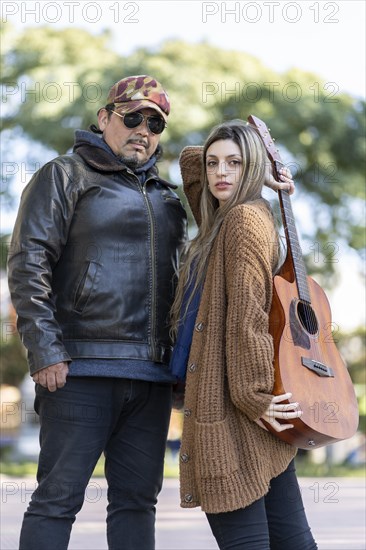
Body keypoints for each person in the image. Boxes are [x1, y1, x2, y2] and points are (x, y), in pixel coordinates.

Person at [7, 75, 188, 550]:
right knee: (57, 500)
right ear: (105, 118)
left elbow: (187, 281)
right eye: (132, 117)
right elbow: (28, 264)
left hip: (150, 377)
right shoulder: (64, 175)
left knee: (136, 504)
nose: (143, 129)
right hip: (78, 369)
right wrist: (45, 350)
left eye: (154, 123)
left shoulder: (169, 198)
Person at [170, 120, 318, 549]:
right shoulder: (222, 217)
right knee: (293, 542)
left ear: (250, 167)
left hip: (238, 411)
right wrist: (256, 173)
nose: (220, 172)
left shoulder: (242, 222)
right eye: (216, 162)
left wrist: (253, 396)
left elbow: (249, 317)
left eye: (234, 164)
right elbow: (189, 163)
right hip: (252, 416)